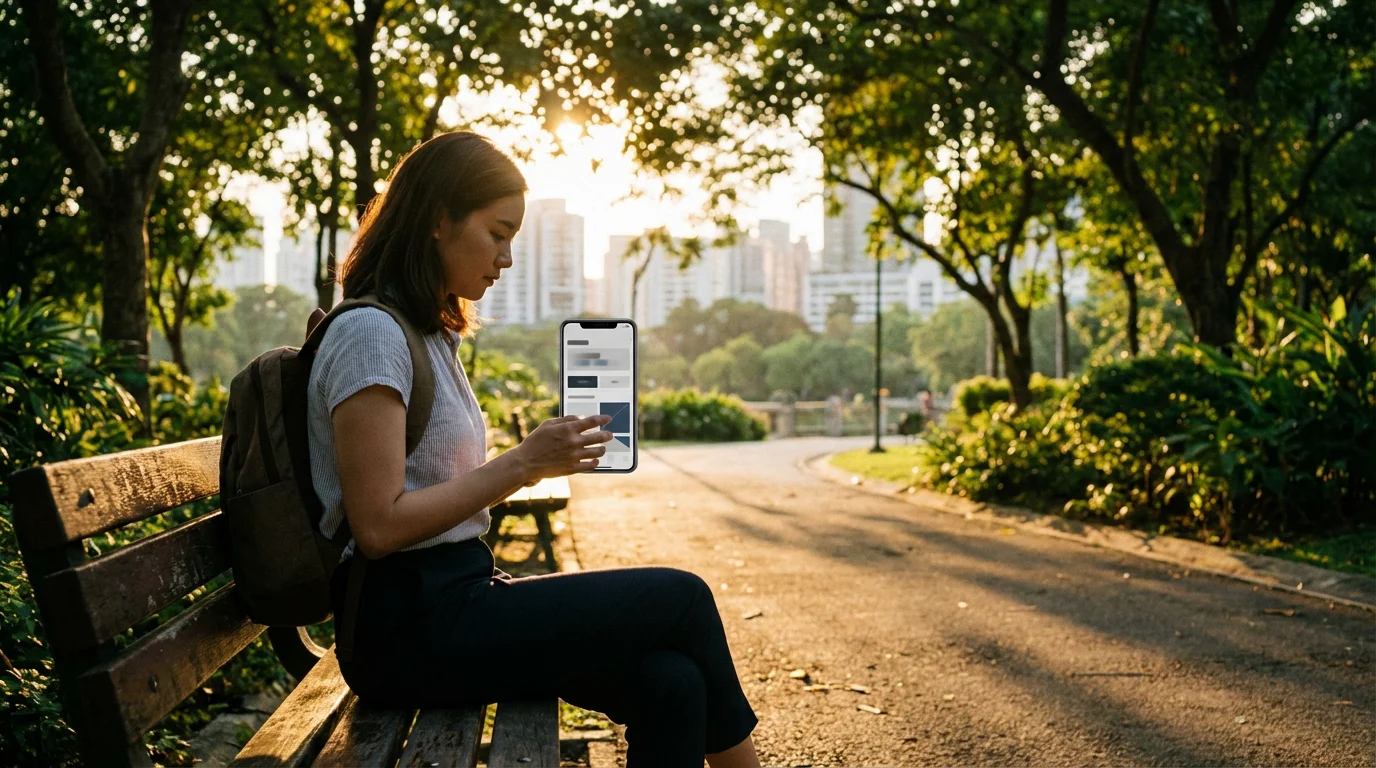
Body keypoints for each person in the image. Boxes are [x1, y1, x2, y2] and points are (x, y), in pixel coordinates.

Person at [307, 131, 760, 767]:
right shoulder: (372, 335)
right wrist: (523, 463)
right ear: (440, 219)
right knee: (682, 597)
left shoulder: (424, 333)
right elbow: (379, 526)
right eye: (498, 233)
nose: (507, 258)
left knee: (672, 685)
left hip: (454, 603)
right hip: (406, 630)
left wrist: (534, 457)